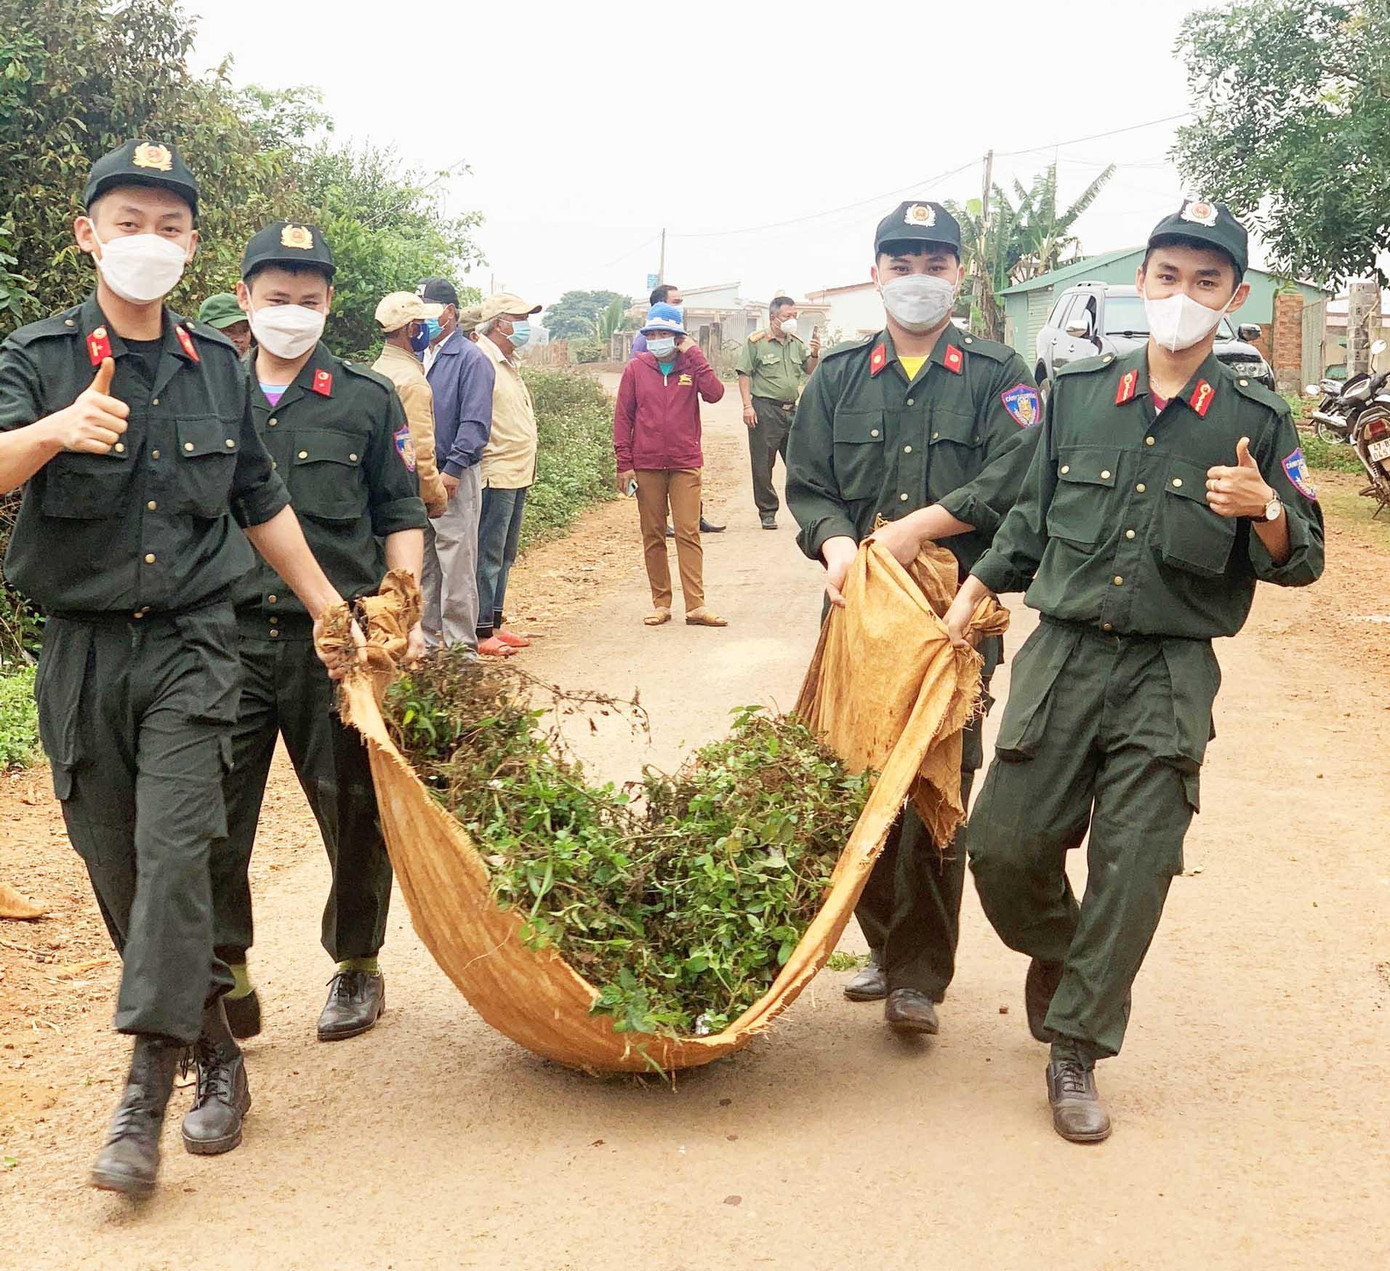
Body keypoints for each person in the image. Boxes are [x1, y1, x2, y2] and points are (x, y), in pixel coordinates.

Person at [0, 141, 355, 1197]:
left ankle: (144, 1094)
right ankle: (218, 1048)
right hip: (82, 651)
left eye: (170, 227)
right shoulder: (38, 357)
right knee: (119, 870)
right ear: (88, 234)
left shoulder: (218, 367)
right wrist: (54, 430)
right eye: (129, 223)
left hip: (198, 647)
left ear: (193, 245)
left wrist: (328, 606)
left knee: (174, 854)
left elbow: (260, 500)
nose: (148, 242)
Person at [942, 200, 1324, 1143]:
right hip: (1064, 654)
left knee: (1137, 861)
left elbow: (1305, 557)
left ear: (1235, 296)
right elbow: (1029, 517)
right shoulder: (1076, 393)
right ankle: (1069, 955)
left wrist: (1266, 510)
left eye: (1206, 281)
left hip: (1169, 668)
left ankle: (1075, 1046)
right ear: (1142, 281)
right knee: (1003, 847)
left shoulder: (1256, 419)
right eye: (1168, 276)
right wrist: (973, 589)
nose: (1183, 295)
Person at [786, 200, 1041, 1038]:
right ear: (876, 274)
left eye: (935, 264)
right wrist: (835, 546)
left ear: (959, 275)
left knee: (937, 784)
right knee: (855, 775)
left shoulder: (999, 374)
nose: (918, 279)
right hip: (861, 612)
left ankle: (918, 978)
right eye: (902, 265)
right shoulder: (837, 375)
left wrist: (917, 528)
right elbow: (810, 484)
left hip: (953, 615)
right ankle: (885, 942)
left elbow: (1015, 477)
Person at [212, 221, 427, 1049]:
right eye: (277, 298)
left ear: (330, 302)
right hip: (223, 639)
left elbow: (399, 511)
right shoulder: (209, 391)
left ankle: (357, 962)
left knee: (353, 807)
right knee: (211, 814)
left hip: (335, 646)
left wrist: (398, 613)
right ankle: (228, 971)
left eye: (308, 299)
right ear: (245, 298)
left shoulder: (366, 398)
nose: (292, 312)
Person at [614, 303, 728, 627]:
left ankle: (696, 605)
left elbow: (715, 393)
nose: (657, 339)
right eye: (652, 334)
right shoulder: (636, 369)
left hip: (684, 462)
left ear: (679, 337)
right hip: (646, 464)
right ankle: (661, 603)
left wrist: (696, 354)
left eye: (665, 334)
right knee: (652, 533)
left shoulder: (691, 365)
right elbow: (622, 418)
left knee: (688, 531)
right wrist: (624, 463)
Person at [417, 278, 497, 654]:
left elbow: (475, 422)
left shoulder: (470, 359)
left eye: (429, 312)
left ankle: (461, 651)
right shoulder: (419, 356)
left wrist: (453, 468)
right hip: (421, 474)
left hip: (454, 475)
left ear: (449, 312)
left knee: (457, 562)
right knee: (425, 563)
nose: (422, 320)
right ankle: (427, 646)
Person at [474, 292, 545, 652]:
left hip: (517, 469)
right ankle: (480, 629)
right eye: (519, 319)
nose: (524, 326)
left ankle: (495, 621)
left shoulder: (508, 361)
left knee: (505, 553)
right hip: (496, 470)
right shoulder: (481, 360)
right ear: (498, 323)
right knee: (488, 553)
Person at [738, 296, 820, 528]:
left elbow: (808, 370)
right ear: (774, 318)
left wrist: (814, 354)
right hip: (765, 409)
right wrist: (747, 406)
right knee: (763, 464)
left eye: (794, 315)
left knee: (799, 462)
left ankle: (806, 510)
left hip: (792, 410)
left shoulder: (796, 343)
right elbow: (744, 373)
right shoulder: (756, 342)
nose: (792, 320)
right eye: (787, 316)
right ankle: (767, 511)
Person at [371, 290, 449, 518]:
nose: (427, 328)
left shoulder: (377, 370)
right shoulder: (413, 382)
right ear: (412, 329)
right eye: (422, 323)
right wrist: (436, 497)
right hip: (405, 498)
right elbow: (419, 453)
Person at [629, 283, 680, 357]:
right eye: (675, 302)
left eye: (664, 334)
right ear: (660, 304)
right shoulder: (645, 339)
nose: (680, 306)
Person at [198, 292, 252, 357]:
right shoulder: (190, 361)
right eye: (229, 330)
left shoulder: (257, 361)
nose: (240, 339)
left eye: (245, 331)